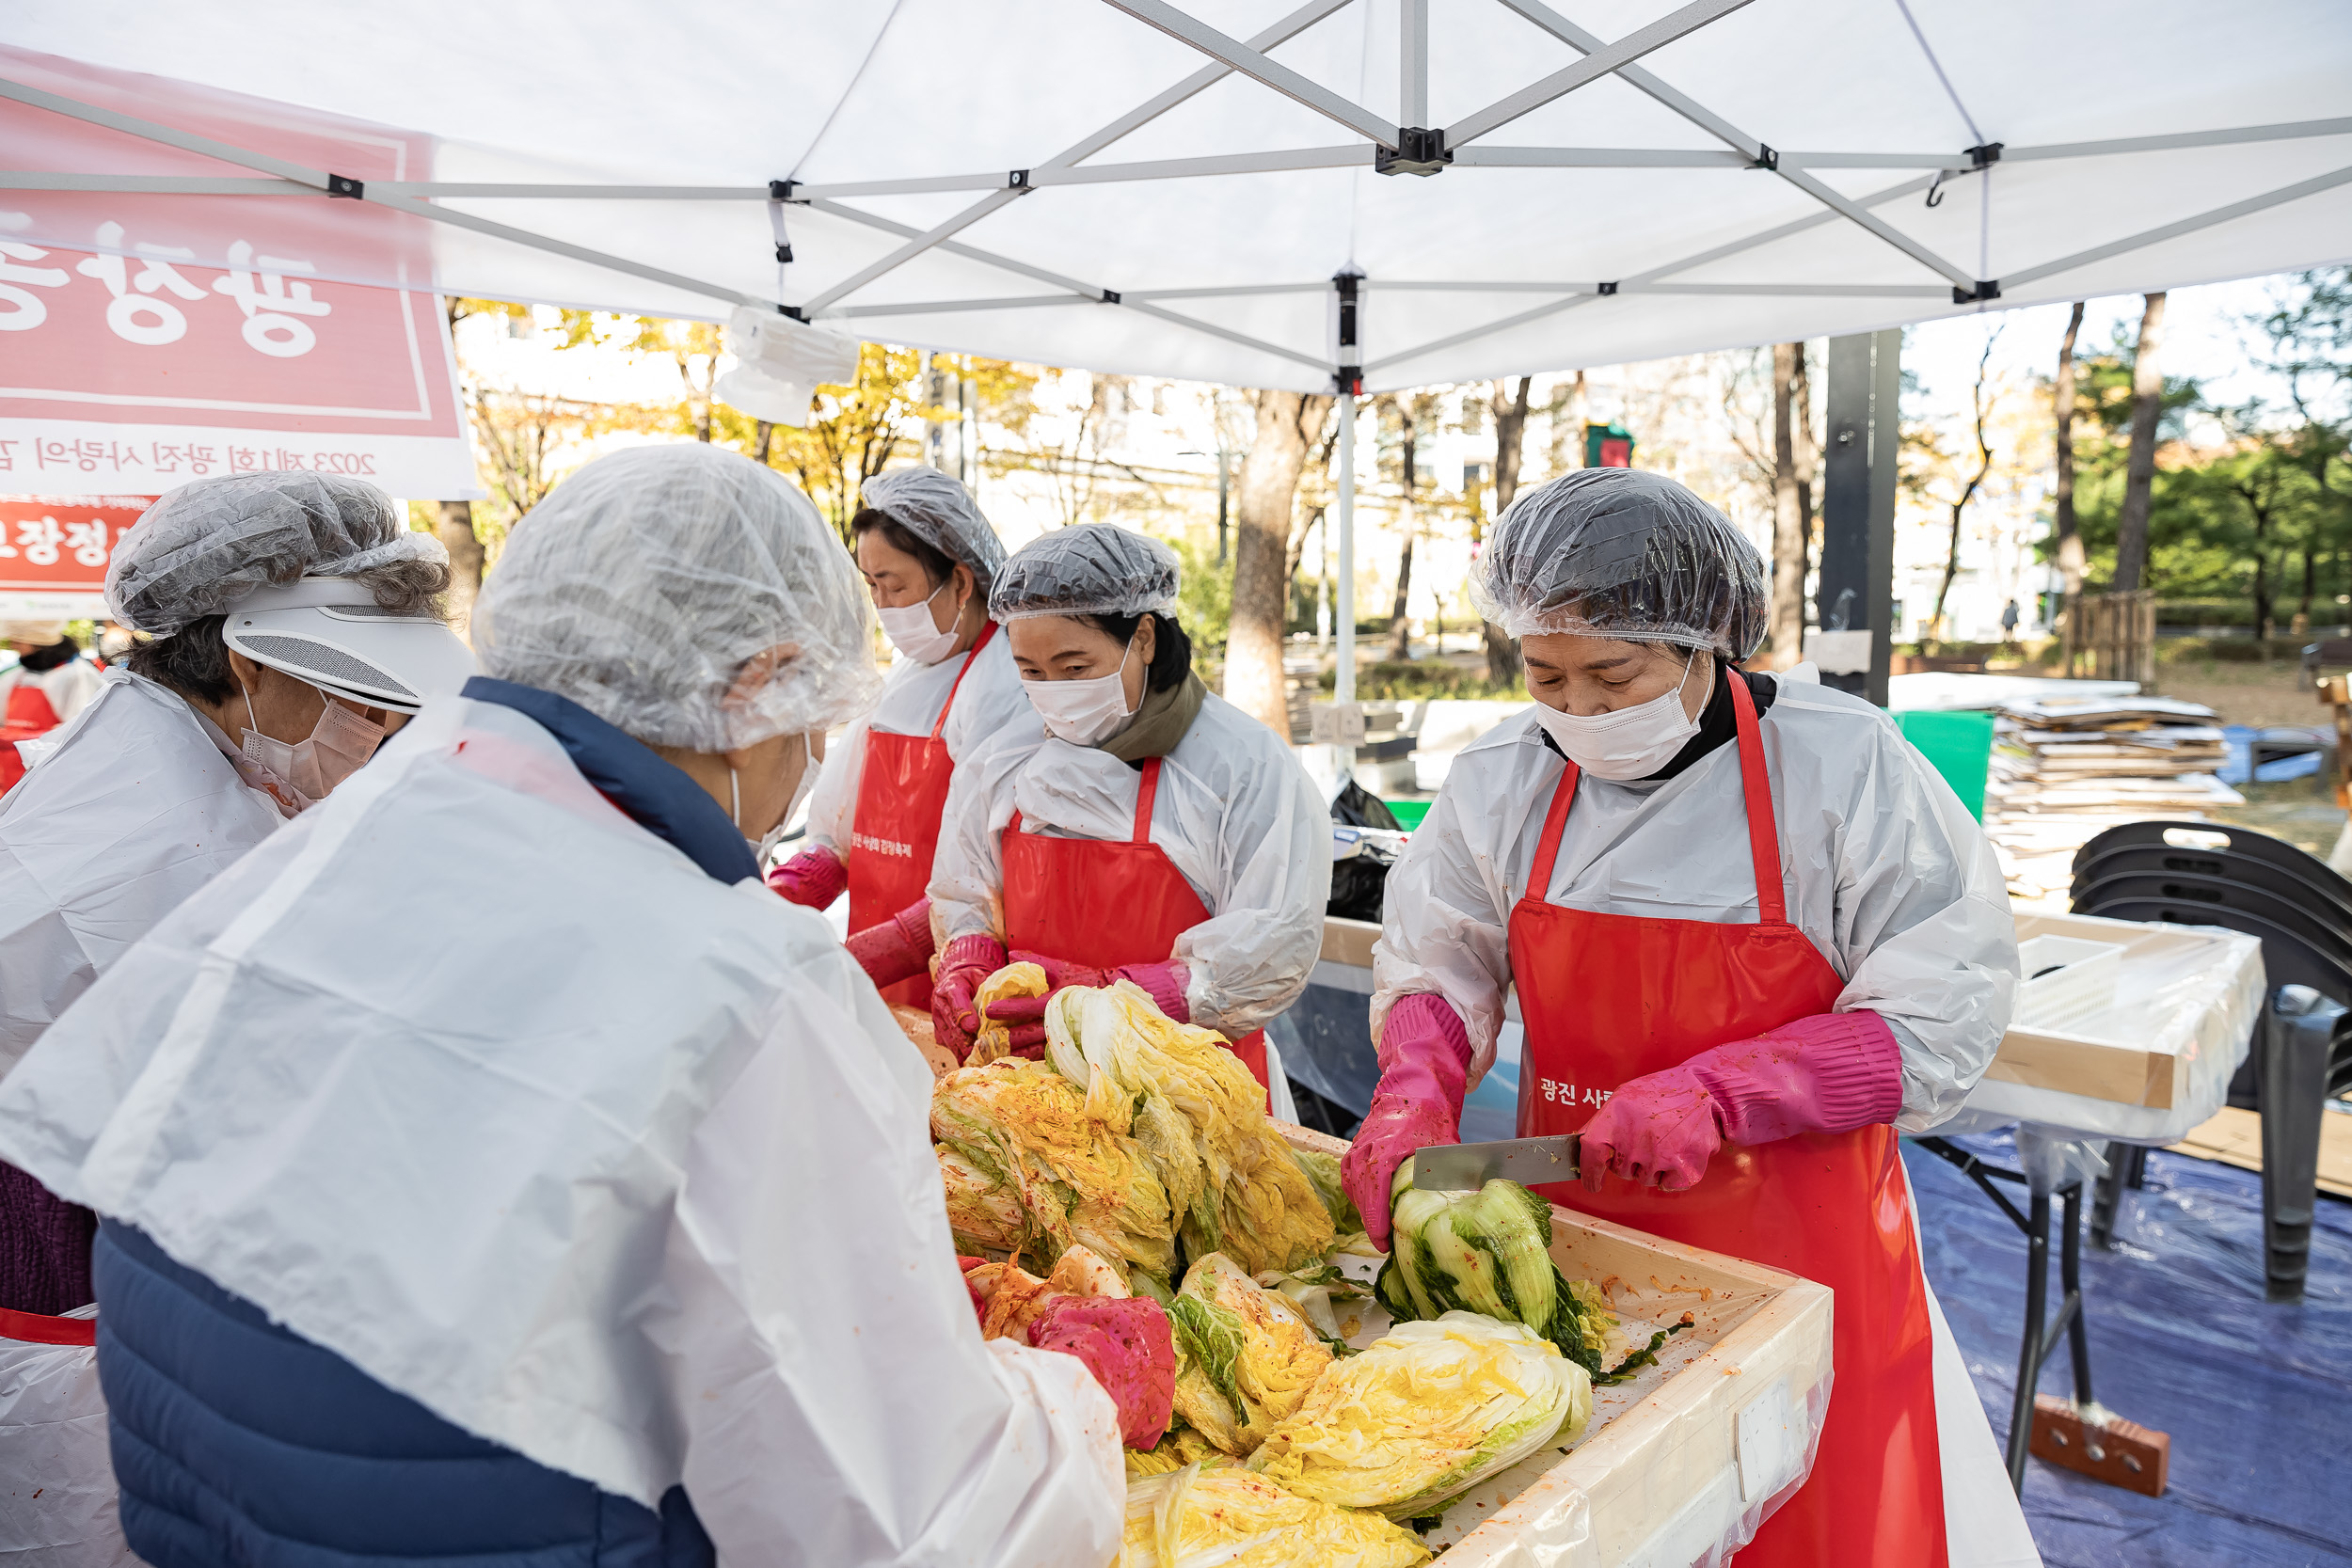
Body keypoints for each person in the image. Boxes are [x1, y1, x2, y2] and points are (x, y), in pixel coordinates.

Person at [0, 444, 1162, 1567]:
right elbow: (903, 1523)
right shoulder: (741, 978)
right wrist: (1070, 1403)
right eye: (809, 712)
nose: (809, 753)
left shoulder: (325, 850)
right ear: (754, 681)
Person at [1340, 469, 2038, 1568]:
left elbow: (1940, 1014)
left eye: (1612, 674)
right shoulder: (1503, 776)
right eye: (1545, 674)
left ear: (1708, 635)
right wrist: (1413, 1089)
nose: (1576, 710)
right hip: (1569, 1235)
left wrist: (1726, 1092)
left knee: (1804, 1523)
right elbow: (1440, 953)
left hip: (1799, 1252)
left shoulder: (1844, 768)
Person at [0, 471, 471, 1311]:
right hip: (62, 1221)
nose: (382, 728)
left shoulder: (170, 740)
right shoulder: (164, 846)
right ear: (250, 664)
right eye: (358, 696)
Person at [929, 524, 1327, 1114]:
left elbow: (1274, 944)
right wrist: (967, 953)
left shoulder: (1243, 767)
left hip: (1196, 1103)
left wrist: (1121, 1001)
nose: (1053, 692)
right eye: (1030, 672)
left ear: (1143, 637)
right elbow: (963, 890)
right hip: (1037, 1100)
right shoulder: (1000, 761)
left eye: (1074, 667)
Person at [768, 467, 1030, 1007]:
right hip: (872, 952)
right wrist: (785, 896)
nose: (883, 605)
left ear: (960, 581)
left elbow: (994, 874)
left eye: (896, 585)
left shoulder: (1010, 682)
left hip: (961, 971)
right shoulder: (908, 674)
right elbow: (841, 827)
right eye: (872, 586)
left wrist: (883, 952)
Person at [0, 620, 103, 791]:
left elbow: (82, 728)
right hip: (11, 771)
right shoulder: (15, 674)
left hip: (52, 768)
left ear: (39, 644)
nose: (13, 646)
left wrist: (30, 737)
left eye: (18, 641)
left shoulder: (77, 674)